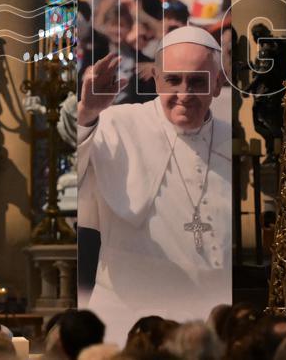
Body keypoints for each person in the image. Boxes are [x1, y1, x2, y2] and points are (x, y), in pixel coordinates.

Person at [77, 25, 232, 344]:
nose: (184, 94)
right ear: (156, 79)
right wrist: (87, 113)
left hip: (207, 320)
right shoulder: (116, 123)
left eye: (198, 81)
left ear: (217, 84)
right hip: (126, 319)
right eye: (173, 80)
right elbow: (71, 174)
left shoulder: (232, 138)